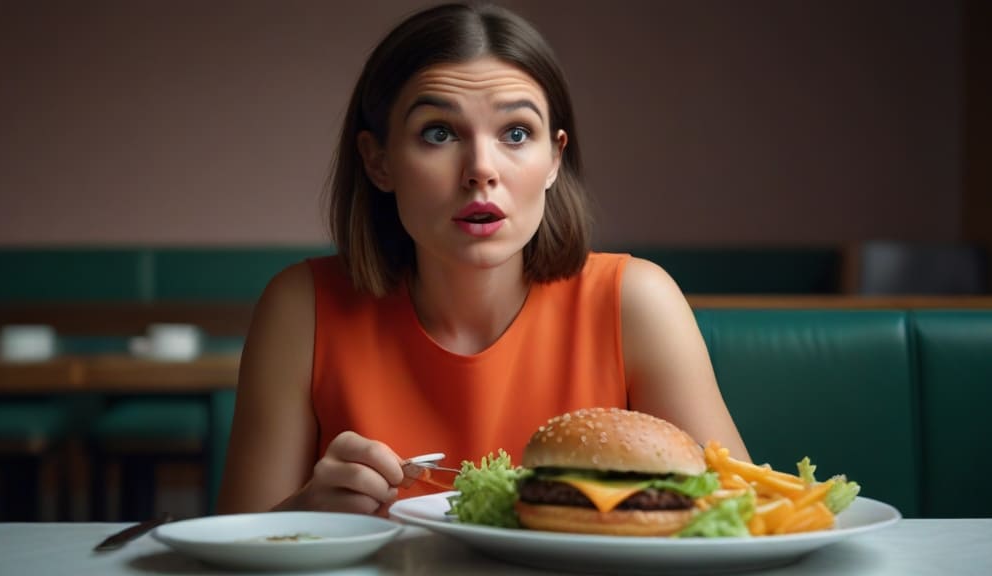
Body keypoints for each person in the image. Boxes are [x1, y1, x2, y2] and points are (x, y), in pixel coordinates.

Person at [218, 2, 748, 517]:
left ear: (553, 160)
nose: (481, 169)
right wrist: (303, 514)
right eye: (439, 133)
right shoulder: (301, 308)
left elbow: (743, 518)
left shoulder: (637, 300)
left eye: (516, 133)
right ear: (378, 161)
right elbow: (230, 546)